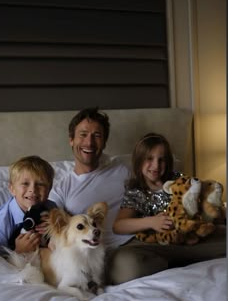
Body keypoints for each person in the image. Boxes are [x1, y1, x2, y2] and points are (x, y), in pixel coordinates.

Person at [108, 132, 226, 285]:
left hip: (189, 240)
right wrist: (151, 222)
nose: (156, 166)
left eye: (161, 160)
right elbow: (118, 226)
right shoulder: (136, 190)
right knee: (123, 266)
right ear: (139, 161)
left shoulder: (179, 180)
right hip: (157, 246)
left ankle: (187, 260)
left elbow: (200, 202)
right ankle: (168, 265)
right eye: (149, 159)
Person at [49, 107, 132, 251]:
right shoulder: (60, 190)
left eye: (97, 135)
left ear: (105, 142)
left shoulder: (122, 170)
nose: (89, 142)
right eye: (83, 134)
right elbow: (54, 231)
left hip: (136, 241)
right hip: (95, 253)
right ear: (71, 140)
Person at [0, 155, 57, 255]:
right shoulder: (2, 222)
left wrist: (55, 227)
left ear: (49, 190)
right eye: (25, 183)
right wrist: (18, 252)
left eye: (40, 184)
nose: (33, 190)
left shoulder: (51, 207)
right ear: (12, 189)